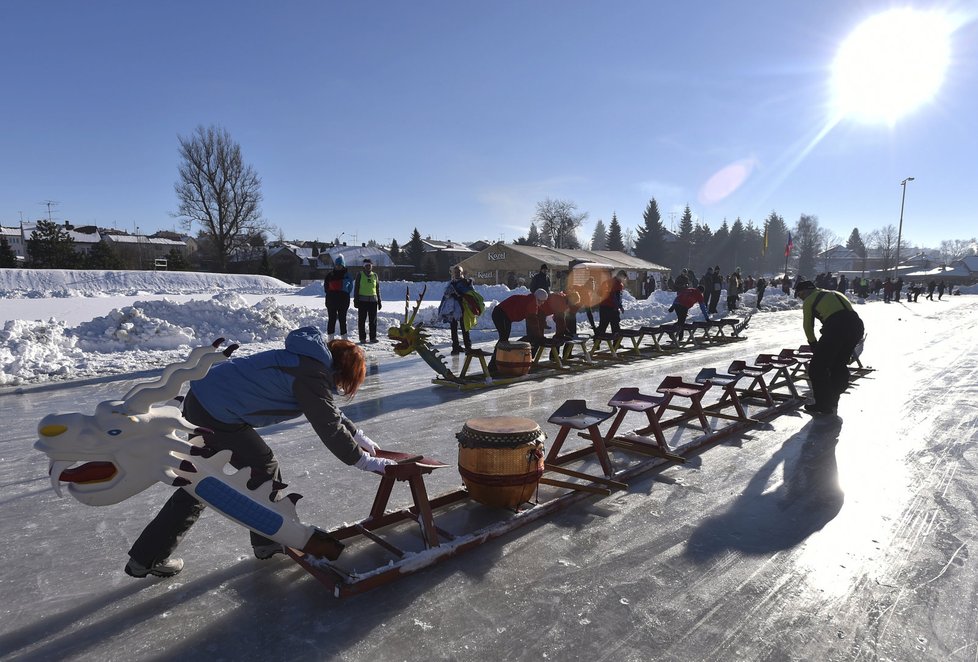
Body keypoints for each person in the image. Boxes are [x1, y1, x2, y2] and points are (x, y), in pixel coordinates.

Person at [125, 329, 395, 578]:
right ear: (344, 370)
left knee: (201, 480)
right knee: (261, 468)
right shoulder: (311, 375)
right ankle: (269, 539)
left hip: (202, 402)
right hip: (214, 416)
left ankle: (146, 557)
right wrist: (362, 460)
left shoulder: (307, 360)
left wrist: (358, 436)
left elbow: (327, 409)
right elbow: (328, 425)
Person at [794, 280, 865, 416]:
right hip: (856, 327)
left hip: (836, 328)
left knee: (817, 368)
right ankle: (834, 397)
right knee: (838, 363)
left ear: (804, 292)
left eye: (799, 295)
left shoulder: (809, 300)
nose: (800, 298)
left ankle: (823, 404)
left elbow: (807, 326)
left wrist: (813, 344)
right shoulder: (835, 293)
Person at [439, 265, 475, 354]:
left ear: (461, 272)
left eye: (458, 271)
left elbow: (471, 293)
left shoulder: (466, 282)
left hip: (463, 308)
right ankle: (455, 347)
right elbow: (445, 294)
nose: (457, 273)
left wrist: (460, 294)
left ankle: (468, 347)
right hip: (453, 310)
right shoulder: (451, 283)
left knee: (465, 328)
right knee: (453, 329)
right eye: (455, 272)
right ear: (453, 273)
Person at [323, 254, 354, 340]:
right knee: (331, 319)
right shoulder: (330, 275)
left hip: (343, 301)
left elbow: (350, 287)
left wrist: (344, 294)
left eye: (340, 265)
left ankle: (344, 338)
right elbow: (326, 287)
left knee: (342, 320)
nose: (338, 266)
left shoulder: (348, 275)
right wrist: (330, 294)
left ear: (343, 265)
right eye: (337, 265)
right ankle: (330, 339)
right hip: (331, 300)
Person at [354, 258, 382, 344]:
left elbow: (377, 289)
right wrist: (356, 300)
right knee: (362, 320)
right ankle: (362, 338)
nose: (368, 266)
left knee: (373, 321)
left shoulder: (375, 275)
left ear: (371, 266)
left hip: (373, 301)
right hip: (362, 301)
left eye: (370, 265)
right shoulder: (360, 275)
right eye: (366, 265)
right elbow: (356, 288)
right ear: (364, 266)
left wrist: (379, 301)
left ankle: (373, 337)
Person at [596, 271, 626, 335]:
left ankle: (597, 342)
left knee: (602, 325)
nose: (623, 280)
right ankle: (616, 344)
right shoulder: (618, 284)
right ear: (621, 277)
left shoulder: (607, 282)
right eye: (624, 278)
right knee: (615, 327)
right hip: (611, 308)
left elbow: (599, 293)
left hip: (603, 307)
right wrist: (619, 307)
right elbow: (617, 298)